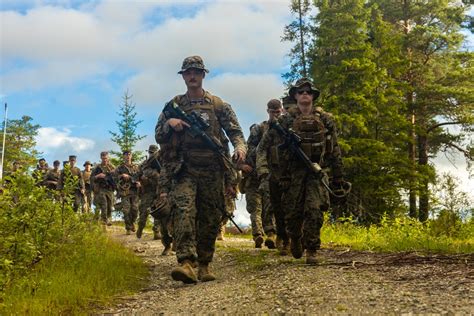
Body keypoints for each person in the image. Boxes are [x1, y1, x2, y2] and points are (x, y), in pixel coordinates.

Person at [155, 55, 247, 284]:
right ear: (183, 76)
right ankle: (186, 263)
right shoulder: (174, 105)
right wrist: (170, 124)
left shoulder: (218, 105)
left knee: (209, 217)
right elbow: (158, 134)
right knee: (184, 211)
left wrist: (240, 148)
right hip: (184, 168)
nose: (192, 76)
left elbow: (235, 132)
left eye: (196, 72)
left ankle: (205, 263)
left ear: (203, 74)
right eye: (188, 72)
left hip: (212, 169)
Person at [258, 78, 345, 264]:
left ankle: (312, 249)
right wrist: (269, 171)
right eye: (301, 91)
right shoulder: (284, 120)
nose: (305, 94)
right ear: (295, 95)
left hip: (316, 171)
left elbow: (334, 148)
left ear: (313, 96)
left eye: (308, 91)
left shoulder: (326, 120)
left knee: (314, 210)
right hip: (292, 174)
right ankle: (295, 237)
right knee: (293, 213)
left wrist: (338, 176)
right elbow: (266, 146)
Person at [240, 100, 285, 249]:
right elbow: (250, 149)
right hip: (257, 173)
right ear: (268, 111)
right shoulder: (260, 129)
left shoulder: (286, 126)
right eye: (273, 112)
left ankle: (279, 234)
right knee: (259, 206)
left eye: (278, 111)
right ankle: (265, 233)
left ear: (282, 110)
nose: (276, 114)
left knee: (275, 203)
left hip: (280, 171)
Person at [136, 145, 162, 241]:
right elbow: (136, 175)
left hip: (158, 189)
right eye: (150, 152)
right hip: (147, 191)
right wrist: (138, 181)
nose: (152, 154)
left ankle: (156, 231)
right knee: (144, 211)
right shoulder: (144, 164)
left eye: (153, 152)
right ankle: (140, 227)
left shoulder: (161, 162)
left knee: (158, 210)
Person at [115, 150, 141, 235]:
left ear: (131, 156)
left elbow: (140, 176)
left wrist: (139, 182)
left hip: (134, 191)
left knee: (135, 209)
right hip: (124, 191)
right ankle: (128, 227)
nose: (128, 156)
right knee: (126, 210)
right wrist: (121, 176)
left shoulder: (136, 167)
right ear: (123, 157)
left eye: (129, 154)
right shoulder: (120, 167)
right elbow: (114, 178)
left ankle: (132, 222)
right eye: (126, 155)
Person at [90, 151, 115, 225]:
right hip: (101, 188)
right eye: (103, 158)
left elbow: (116, 177)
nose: (105, 159)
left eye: (106, 158)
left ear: (108, 158)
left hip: (109, 188)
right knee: (104, 204)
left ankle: (108, 218)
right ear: (101, 158)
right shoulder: (97, 167)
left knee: (110, 206)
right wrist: (98, 176)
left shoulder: (112, 167)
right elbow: (91, 178)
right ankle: (104, 220)